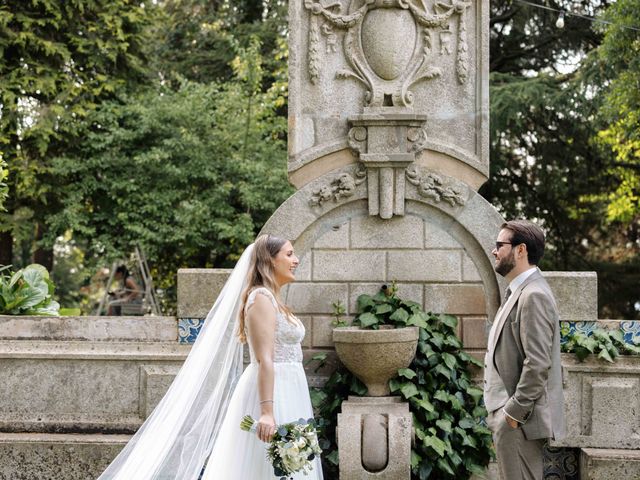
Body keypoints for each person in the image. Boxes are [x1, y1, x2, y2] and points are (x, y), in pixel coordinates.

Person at [98, 234, 323, 480]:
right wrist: (267, 412)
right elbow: (264, 359)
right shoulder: (261, 298)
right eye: (289, 254)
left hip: (290, 389)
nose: (296, 260)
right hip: (272, 392)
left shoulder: (275, 299)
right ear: (269, 260)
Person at [483, 220, 566, 480]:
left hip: (518, 421)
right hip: (510, 419)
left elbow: (538, 363)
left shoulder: (534, 295)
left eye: (500, 245)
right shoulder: (519, 291)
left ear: (520, 250)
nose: (495, 251)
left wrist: (513, 413)